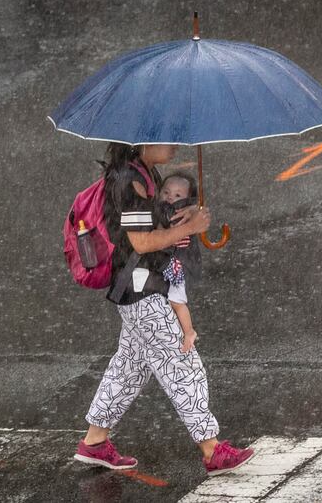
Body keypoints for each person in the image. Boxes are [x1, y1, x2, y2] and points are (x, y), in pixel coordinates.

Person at [73, 143, 255, 477]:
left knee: (130, 367)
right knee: (182, 361)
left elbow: (153, 222)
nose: (171, 144)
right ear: (144, 141)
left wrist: (184, 213)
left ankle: (95, 441)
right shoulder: (130, 182)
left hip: (138, 285)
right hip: (142, 289)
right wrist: (188, 229)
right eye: (164, 138)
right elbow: (140, 242)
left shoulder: (144, 173)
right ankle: (212, 449)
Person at [157, 172, 201, 355]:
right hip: (167, 263)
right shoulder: (161, 209)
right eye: (166, 192)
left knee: (177, 301)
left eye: (177, 195)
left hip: (177, 265)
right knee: (168, 300)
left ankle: (189, 332)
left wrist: (196, 208)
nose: (170, 198)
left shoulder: (181, 214)